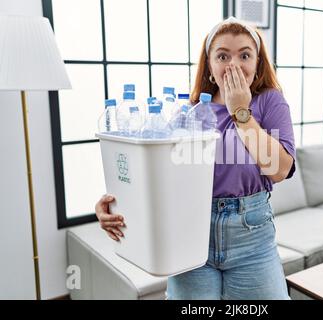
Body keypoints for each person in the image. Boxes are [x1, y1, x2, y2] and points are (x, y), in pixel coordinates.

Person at [95, 16, 296, 300]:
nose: (234, 64)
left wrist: (240, 111)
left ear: (258, 64)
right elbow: (154, 172)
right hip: (189, 232)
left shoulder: (269, 101)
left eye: (245, 55)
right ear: (210, 67)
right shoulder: (189, 113)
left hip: (251, 236)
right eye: (223, 55)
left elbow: (279, 170)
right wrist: (114, 202)